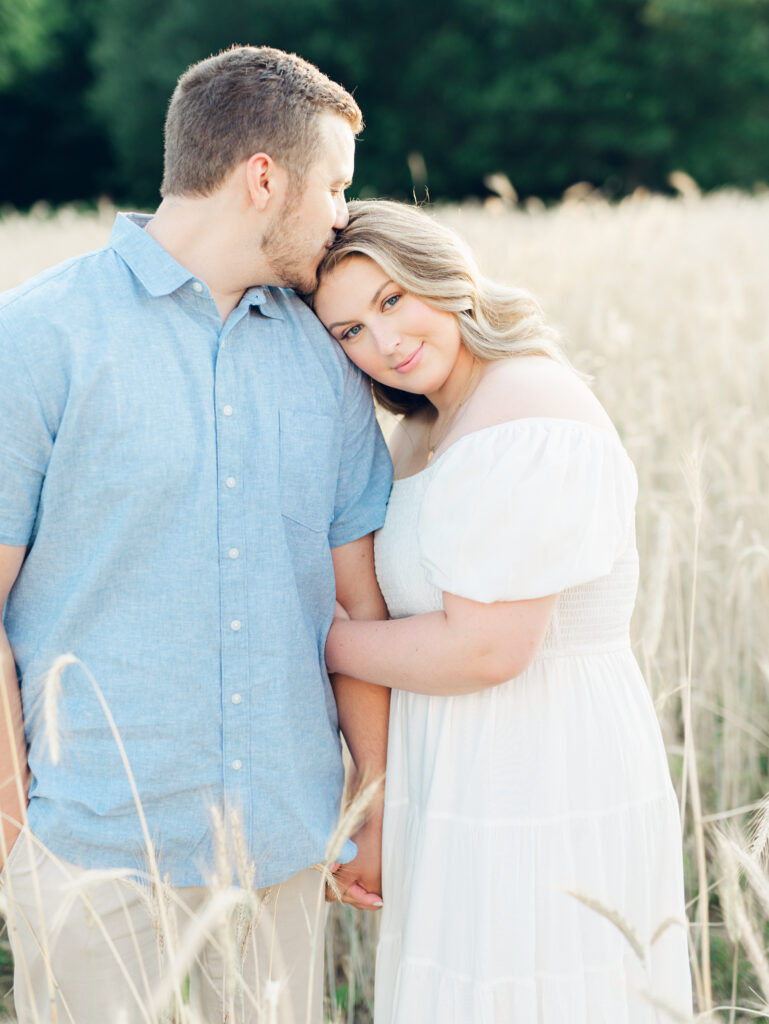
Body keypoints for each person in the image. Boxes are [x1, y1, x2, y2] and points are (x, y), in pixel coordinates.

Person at [0, 47, 392, 1024]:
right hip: (92, 857)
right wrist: (18, 838)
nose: (344, 214)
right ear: (263, 177)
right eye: (334, 185)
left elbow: (359, 608)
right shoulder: (36, 337)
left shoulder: (328, 362)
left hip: (284, 856)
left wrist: (373, 802)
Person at [313, 199, 693, 1023]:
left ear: (442, 279)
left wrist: (324, 640)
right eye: (348, 332)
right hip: (459, 766)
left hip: (543, 763)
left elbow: (486, 650)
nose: (384, 343)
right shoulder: (426, 421)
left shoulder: (525, 406)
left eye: (390, 300)